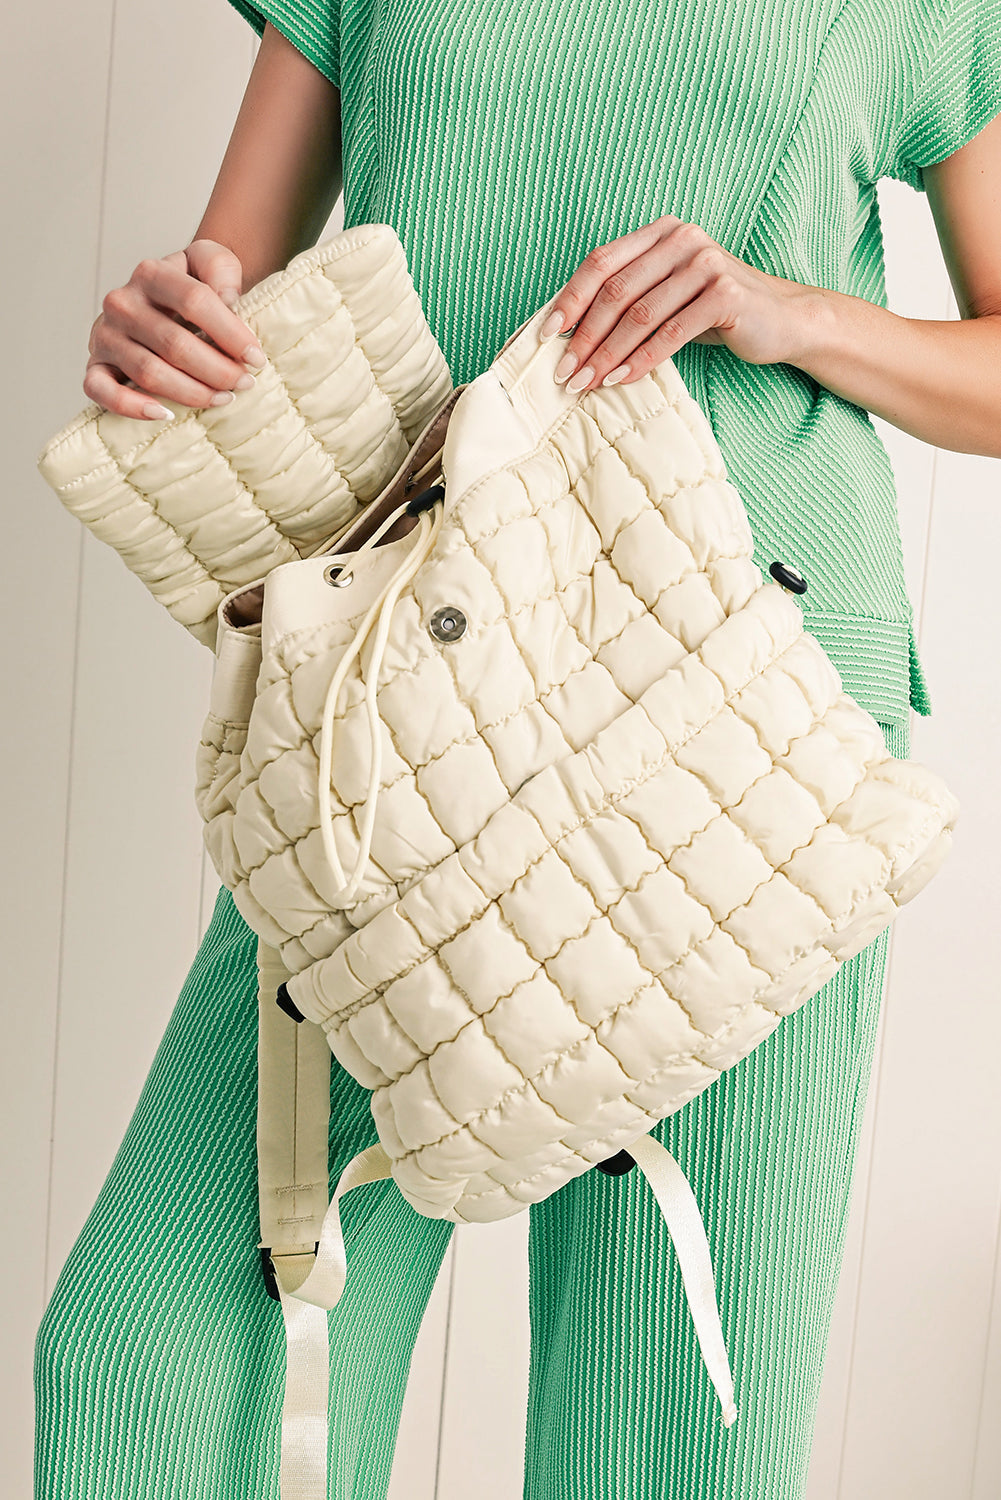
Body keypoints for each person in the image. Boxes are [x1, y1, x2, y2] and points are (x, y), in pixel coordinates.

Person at [34, 4, 1001, 1497]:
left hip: (752, 712)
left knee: (663, 1446)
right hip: (403, 700)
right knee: (154, 1374)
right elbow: (231, 285)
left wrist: (787, 312)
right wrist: (168, 329)